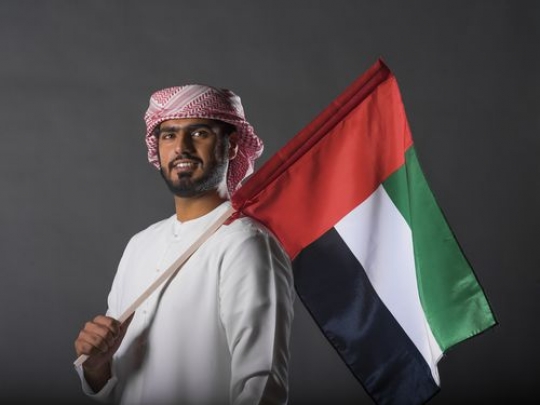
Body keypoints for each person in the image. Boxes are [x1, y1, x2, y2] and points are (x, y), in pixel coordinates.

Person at [74, 85, 295, 405]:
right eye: (169, 135)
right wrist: (96, 366)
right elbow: (116, 383)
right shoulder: (140, 244)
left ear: (232, 145)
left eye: (199, 133)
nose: (181, 147)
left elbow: (261, 386)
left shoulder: (246, 243)